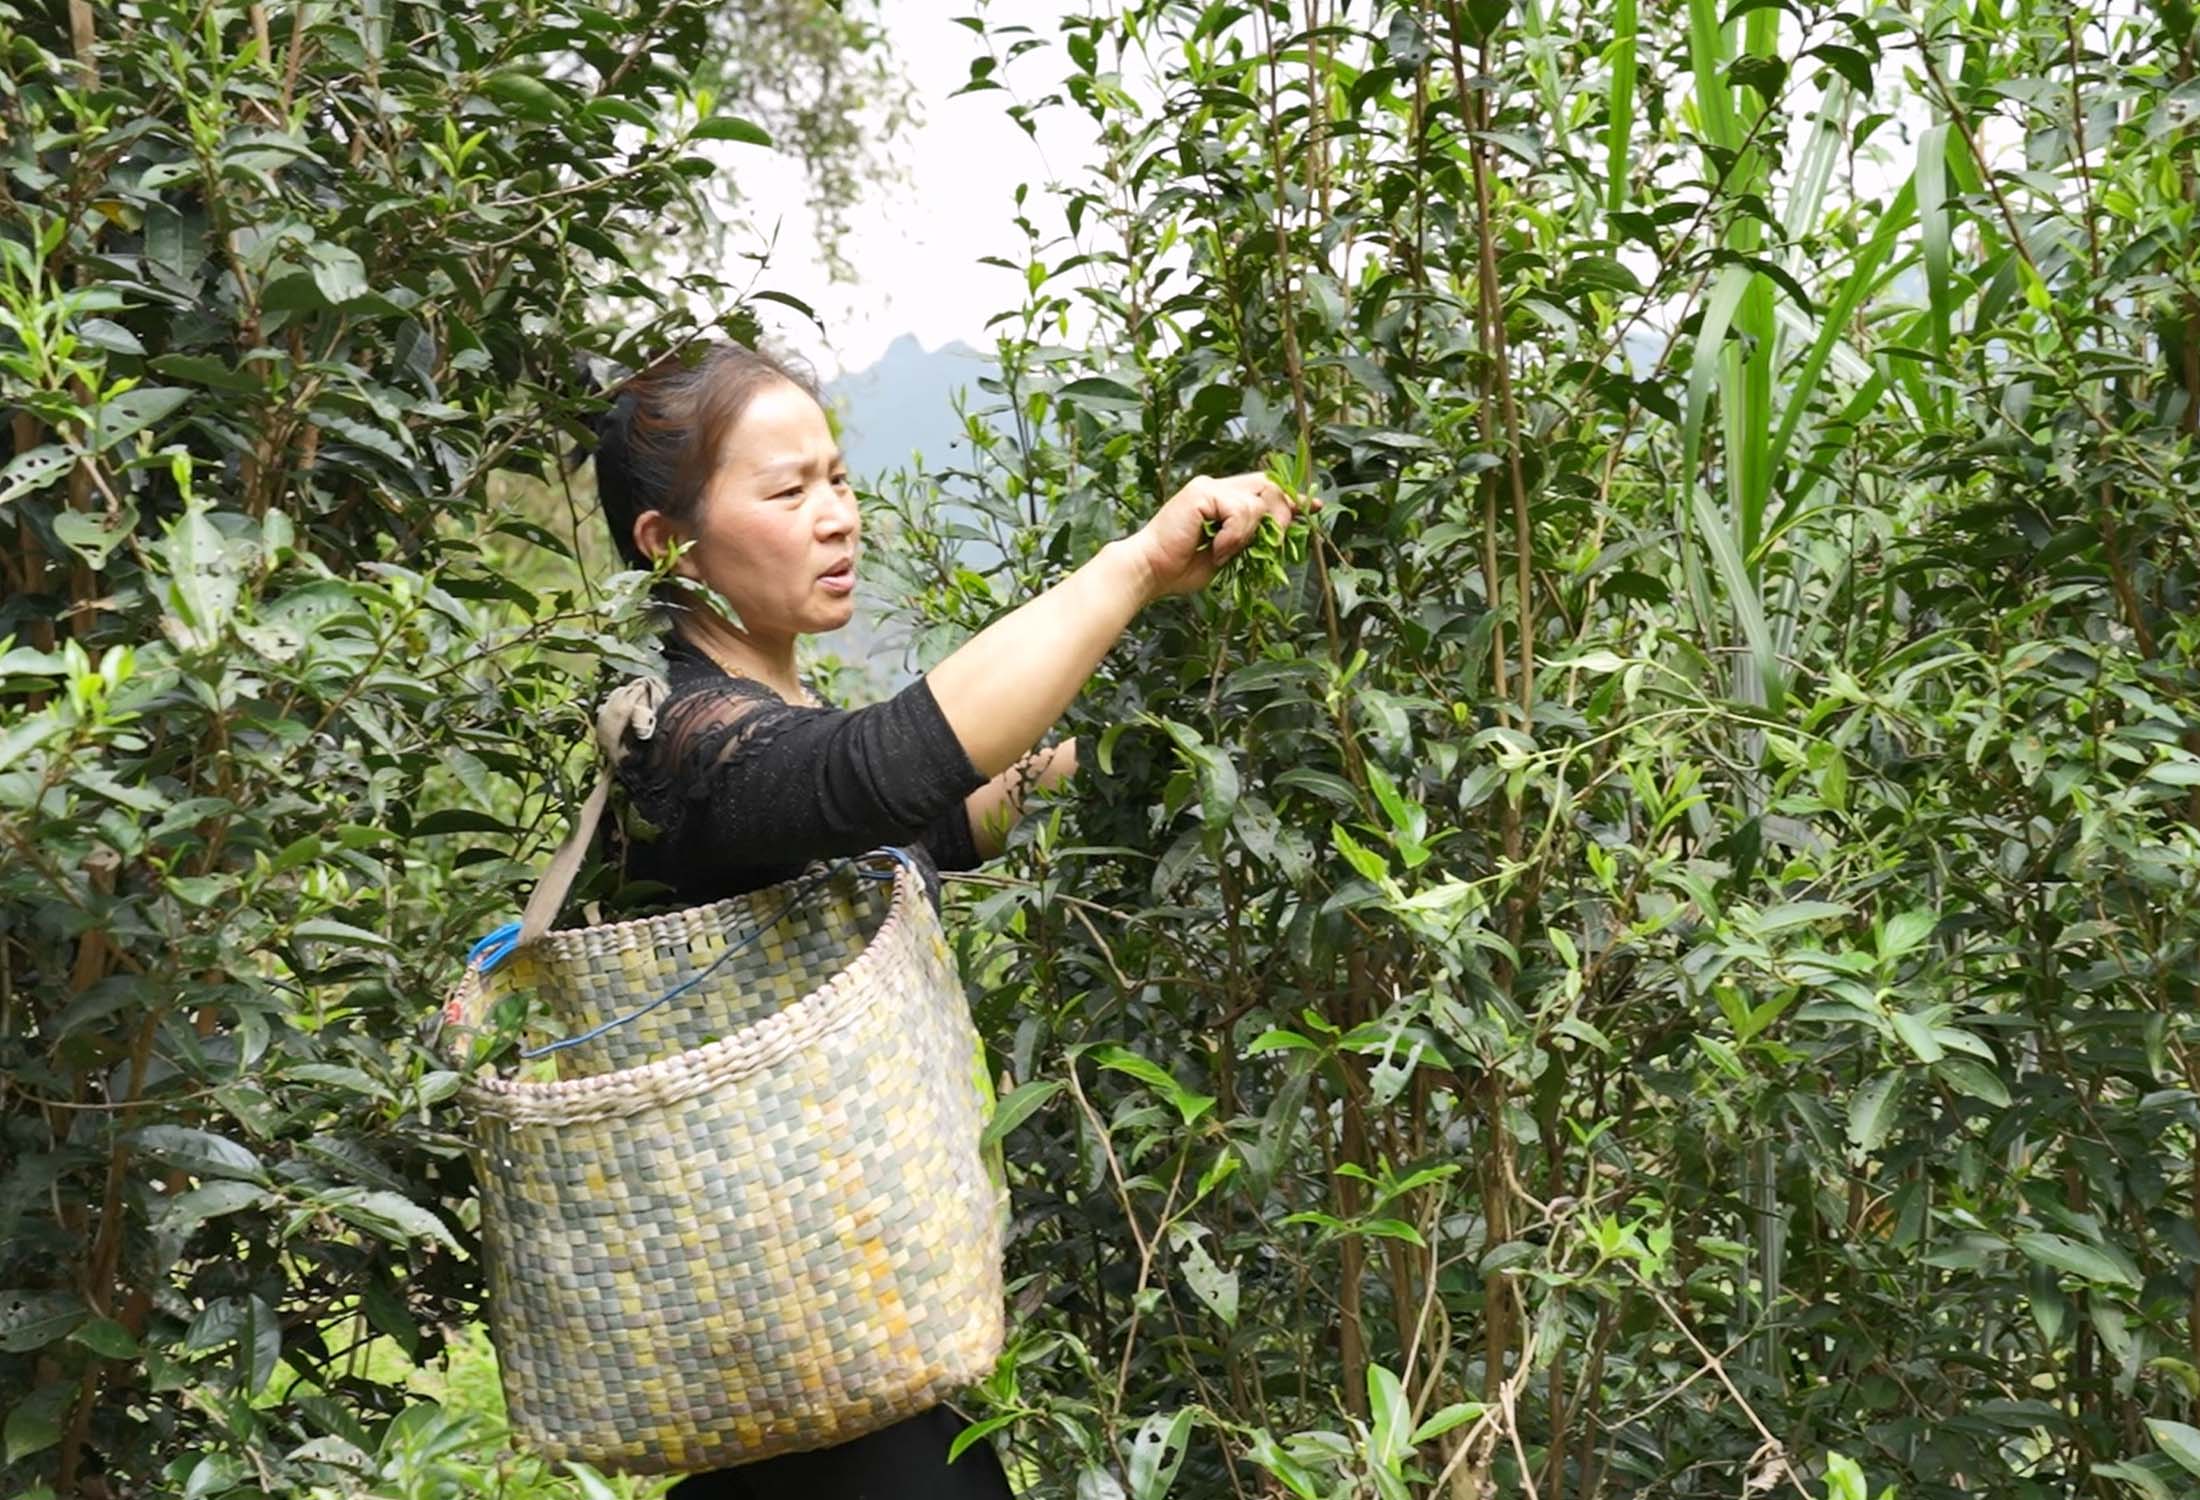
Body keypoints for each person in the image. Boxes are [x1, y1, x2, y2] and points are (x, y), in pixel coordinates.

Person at [583, 339, 1316, 1498]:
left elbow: (922, 828)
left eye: (836, 478)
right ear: (667, 544)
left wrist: (1126, 746)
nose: (835, 517)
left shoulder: (760, 710)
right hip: (809, 1407)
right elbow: (873, 777)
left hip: (858, 1359)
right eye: (787, 492)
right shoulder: (683, 738)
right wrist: (1124, 567)